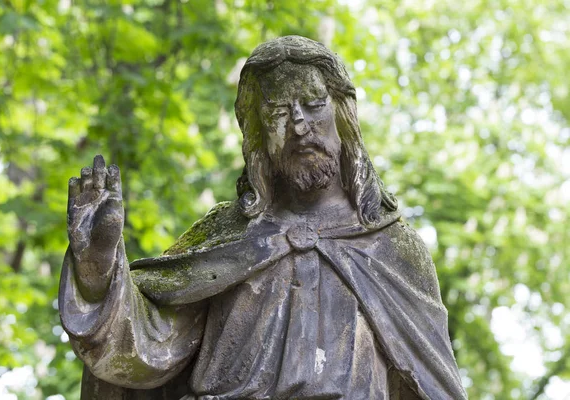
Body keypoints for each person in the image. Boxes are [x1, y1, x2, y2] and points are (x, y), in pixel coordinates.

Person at [60, 35, 467, 400]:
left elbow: (433, 387)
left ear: (343, 114)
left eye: (313, 105)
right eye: (276, 114)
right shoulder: (225, 237)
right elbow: (145, 352)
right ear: (257, 133)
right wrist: (98, 273)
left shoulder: (394, 249)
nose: (299, 126)